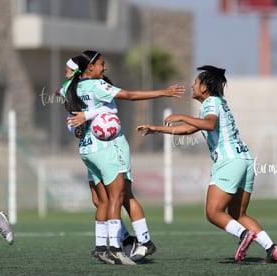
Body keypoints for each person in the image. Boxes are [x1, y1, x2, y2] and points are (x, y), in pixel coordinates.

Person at [136, 65, 277, 263]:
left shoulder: (211, 103)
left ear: (205, 87)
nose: (192, 85)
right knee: (238, 214)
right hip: (245, 160)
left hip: (229, 161)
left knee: (213, 212)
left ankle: (243, 235)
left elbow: (209, 124)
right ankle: (271, 248)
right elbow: (189, 129)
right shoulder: (219, 102)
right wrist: (156, 129)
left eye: (196, 83)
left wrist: (180, 116)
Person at [61, 50, 184, 265]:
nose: (105, 67)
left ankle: (115, 244)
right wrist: (163, 92)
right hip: (109, 147)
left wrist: (85, 120)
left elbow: (76, 116)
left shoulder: (70, 90)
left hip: (88, 149)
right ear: (88, 67)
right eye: (101, 64)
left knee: (109, 199)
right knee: (119, 197)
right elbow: (130, 96)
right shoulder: (94, 86)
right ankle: (122, 246)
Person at [59, 58, 138, 262]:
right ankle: (117, 244)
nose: (65, 74)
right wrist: (74, 128)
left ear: (78, 71)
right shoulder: (71, 91)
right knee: (101, 200)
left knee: (112, 198)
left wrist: (87, 115)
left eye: (68, 70)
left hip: (107, 147)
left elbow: (110, 110)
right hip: (88, 149)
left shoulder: (93, 88)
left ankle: (120, 245)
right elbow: (71, 120)